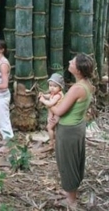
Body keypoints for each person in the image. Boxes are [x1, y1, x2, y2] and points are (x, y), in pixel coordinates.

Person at [49, 53, 94, 209]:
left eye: (73, 62)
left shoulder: (76, 88)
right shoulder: (88, 84)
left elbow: (60, 110)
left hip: (68, 131)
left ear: (79, 70)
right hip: (77, 127)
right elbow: (73, 108)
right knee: (74, 160)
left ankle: (71, 201)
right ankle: (70, 192)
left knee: (67, 162)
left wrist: (46, 103)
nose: (69, 61)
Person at [38, 73, 65, 148]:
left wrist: (43, 100)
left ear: (60, 87)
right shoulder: (54, 93)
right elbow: (49, 96)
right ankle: (55, 141)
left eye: (55, 86)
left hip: (57, 114)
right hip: (52, 113)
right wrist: (43, 95)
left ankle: (51, 143)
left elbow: (50, 103)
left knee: (49, 127)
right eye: (50, 86)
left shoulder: (57, 95)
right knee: (53, 127)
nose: (52, 88)